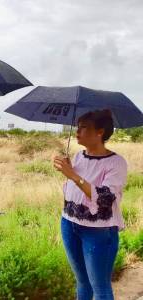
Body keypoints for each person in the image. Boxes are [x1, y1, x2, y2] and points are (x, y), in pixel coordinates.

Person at [53, 109, 128, 300]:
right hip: (69, 224)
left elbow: (105, 199)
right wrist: (70, 171)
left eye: (83, 128)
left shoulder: (116, 163)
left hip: (98, 231)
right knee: (82, 282)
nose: (77, 132)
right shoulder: (79, 157)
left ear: (100, 132)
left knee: (100, 287)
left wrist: (73, 175)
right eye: (77, 128)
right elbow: (73, 192)